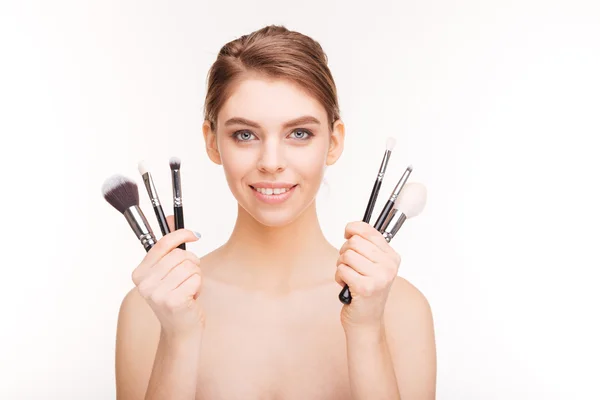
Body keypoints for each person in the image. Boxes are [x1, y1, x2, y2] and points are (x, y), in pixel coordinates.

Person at [115, 24, 436, 400]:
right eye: (245, 135)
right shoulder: (152, 307)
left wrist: (366, 332)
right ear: (212, 142)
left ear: (333, 143)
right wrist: (178, 338)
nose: (271, 162)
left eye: (299, 133)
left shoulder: (401, 310)